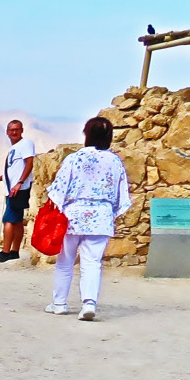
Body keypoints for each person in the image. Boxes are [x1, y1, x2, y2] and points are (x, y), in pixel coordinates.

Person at [44, 116, 131, 321]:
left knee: (65, 261)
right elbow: (121, 194)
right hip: (101, 217)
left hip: (72, 216)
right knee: (92, 262)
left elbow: (58, 189)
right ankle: (89, 304)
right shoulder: (114, 160)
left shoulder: (74, 158)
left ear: (87, 134)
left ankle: (59, 304)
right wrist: (109, 211)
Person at [0, 120, 37, 262]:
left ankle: (6, 251)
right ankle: (14, 251)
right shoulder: (14, 148)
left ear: (22, 130)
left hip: (18, 188)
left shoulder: (26, 143)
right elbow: (13, 169)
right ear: (7, 132)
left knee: (8, 219)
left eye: (17, 129)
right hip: (12, 188)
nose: (14, 132)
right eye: (11, 130)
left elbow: (29, 162)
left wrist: (20, 183)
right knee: (18, 220)